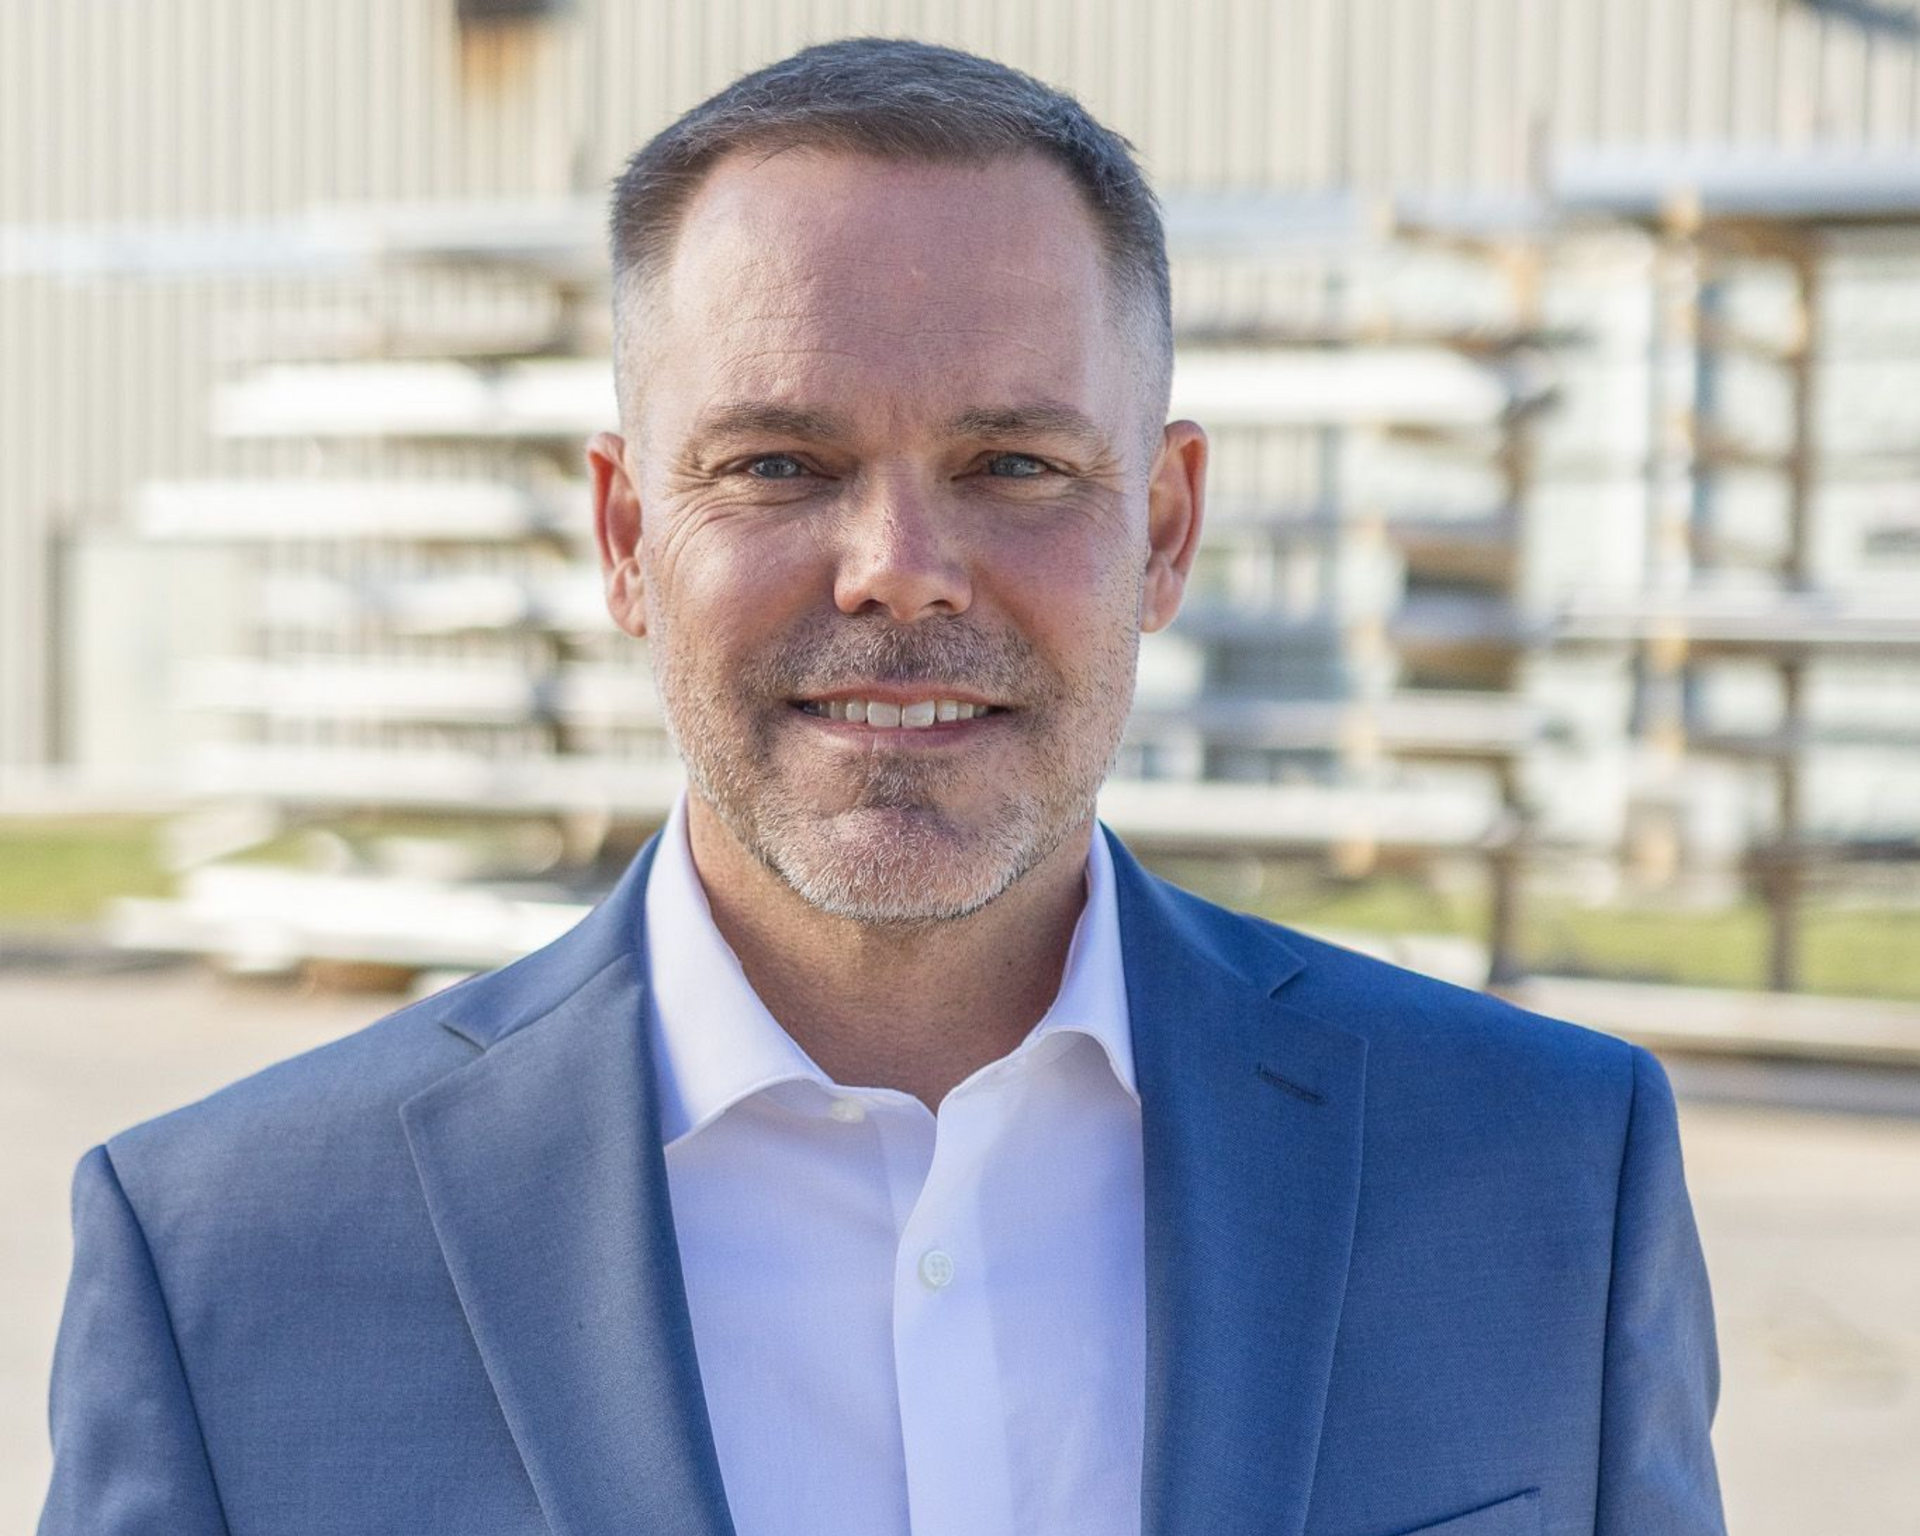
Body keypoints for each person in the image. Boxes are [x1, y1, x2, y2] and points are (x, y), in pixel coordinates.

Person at [40, 37, 1725, 1536]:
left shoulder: (1547, 1179)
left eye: (1015, 464)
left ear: (1166, 526)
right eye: (781, 464)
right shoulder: (225, 1261)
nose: (901, 574)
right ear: (629, 537)